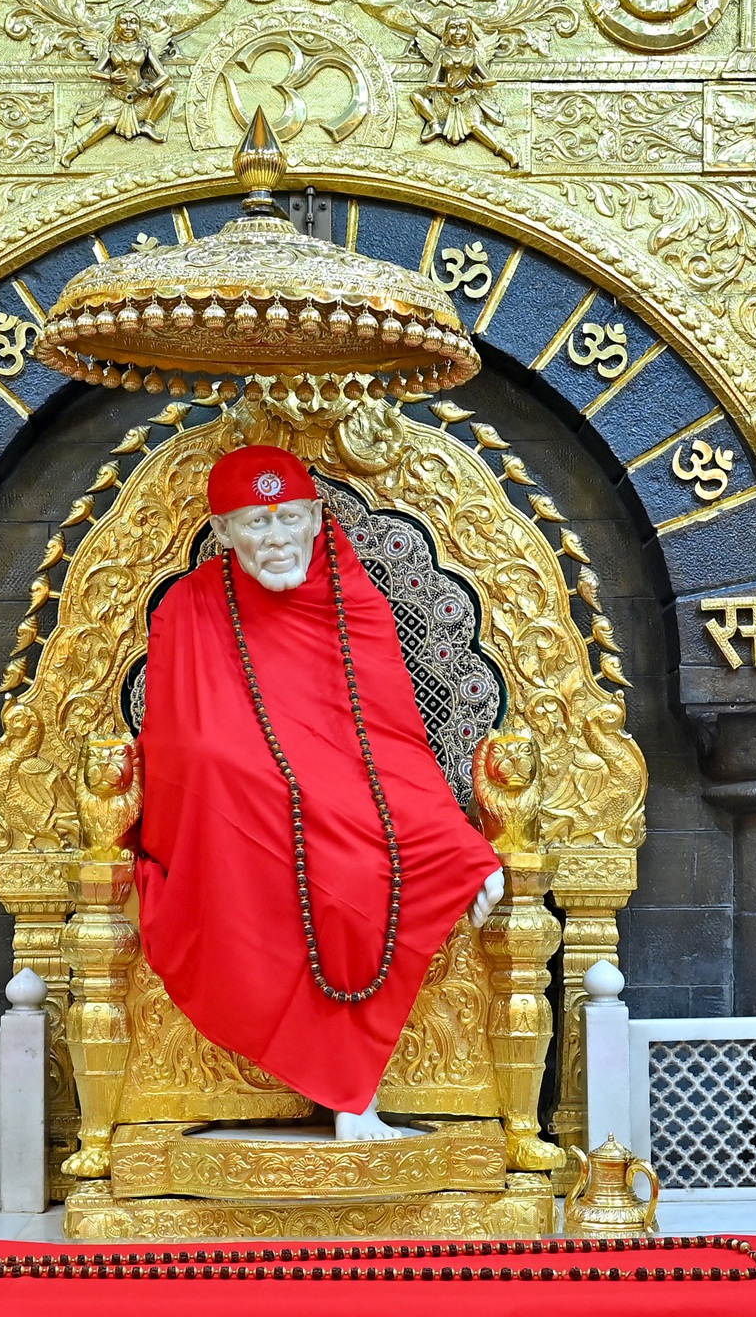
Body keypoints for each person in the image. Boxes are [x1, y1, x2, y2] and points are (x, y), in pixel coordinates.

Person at [133, 443, 504, 1141]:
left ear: (314, 520)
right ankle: (346, 1095)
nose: (276, 539)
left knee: (369, 874)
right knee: (304, 855)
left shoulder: (352, 600)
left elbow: (392, 738)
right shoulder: (189, 607)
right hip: (236, 814)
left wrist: (463, 846)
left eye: (290, 519)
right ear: (224, 534)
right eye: (256, 522)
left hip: (354, 802)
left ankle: (353, 1096)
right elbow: (183, 743)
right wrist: (265, 780)